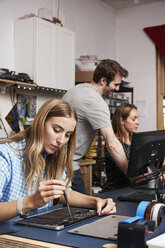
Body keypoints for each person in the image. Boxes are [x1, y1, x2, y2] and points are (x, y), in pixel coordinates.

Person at [0, 98, 116, 222]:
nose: (61, 141)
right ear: (40, 123)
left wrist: (97, 201)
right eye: (56, 130)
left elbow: (65, 193)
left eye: (67, 135)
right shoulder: (5, 156)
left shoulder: (52, 156)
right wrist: (31, 202)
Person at [63, 59, 129, 194]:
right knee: (82, 210)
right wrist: (132, 175)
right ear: (103, 81)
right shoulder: (95, 101)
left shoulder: (76, 89)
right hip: (67, 167)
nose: (117, 89)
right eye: (116, 84)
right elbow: (112, 144)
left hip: (55, 164)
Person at [102, 103, 140, 191]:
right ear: (122, 121)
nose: (138, 122)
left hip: (132, 189)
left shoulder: (135, 140)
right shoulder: (113, 143)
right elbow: (126, 171)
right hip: (115, 191)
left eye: (137, 118)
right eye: (134, 119)